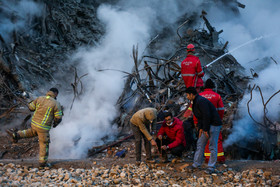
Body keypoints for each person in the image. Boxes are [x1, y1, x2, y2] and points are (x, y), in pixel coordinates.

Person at [6, 88, 63, 168]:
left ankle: (16, 135)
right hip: (43, 128)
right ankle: (42, 164)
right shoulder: (56, 103)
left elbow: (31, 107)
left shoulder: (40, 98)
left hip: (34, 124)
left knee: (31, 132)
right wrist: (55, 124)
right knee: (44, 144)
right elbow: (58, 118)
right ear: (56, 94)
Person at [185, 87, 222, 173]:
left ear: (191, 94)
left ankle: (211, 167)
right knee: (200, 143)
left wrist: (205, 129)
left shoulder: (201, 101)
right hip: (207, 125)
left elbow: (206, 115)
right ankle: (196, 164)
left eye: (187, 95)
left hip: (214, 124)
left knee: (212, 146)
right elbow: (200, 117)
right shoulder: (196, 101)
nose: (187, 97)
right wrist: (201, 128)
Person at [197, 79, 225, 163]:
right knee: (217, 139)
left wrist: (197, 122)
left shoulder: (199, 96)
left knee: (205, 139)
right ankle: (219, 158)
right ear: (212, 87)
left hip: (203, 122)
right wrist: (219, 119)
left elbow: (195, 111)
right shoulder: (217, 96)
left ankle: (208, 158)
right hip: (214, 121)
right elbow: (221, 110)